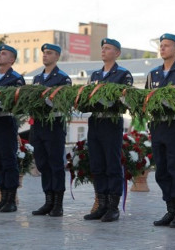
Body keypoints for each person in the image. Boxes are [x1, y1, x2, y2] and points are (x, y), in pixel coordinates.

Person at [146, 33, 175, 228]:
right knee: (161, 171)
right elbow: (146, 99)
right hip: (158, 126)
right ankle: (170, 210)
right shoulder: (153, 74)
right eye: (161, 45)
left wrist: (171, 102)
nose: (162, 48)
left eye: (166, 45)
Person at [83, 38, 133, 222]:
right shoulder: (95, 74)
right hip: (95, 121)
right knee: (97, 164)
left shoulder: (123, 74)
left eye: (108, 48)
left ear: (117, 53)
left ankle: (113, 207)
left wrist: (110, 100)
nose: (103, 50)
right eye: (102, 47)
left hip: (111, 122)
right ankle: (101, 204)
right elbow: (86, 96)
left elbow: (126, 99)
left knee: (112, 164)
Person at [31, 43, 72, 217]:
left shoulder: (63, 78)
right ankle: (48, 200)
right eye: (44, 53)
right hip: (39, 124)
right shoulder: (37, 78)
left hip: (54, 123)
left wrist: (51, 101)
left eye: (49, 53)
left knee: (55, 164)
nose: (45, 55)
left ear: (57, 57)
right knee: (42, 163)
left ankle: (58, 204)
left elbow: (66, 101)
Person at [0, 45, 25, 212]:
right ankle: (2, 196)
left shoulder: (15, 78)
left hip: (6, 120)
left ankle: (11, 200)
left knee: (8, 161)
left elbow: (17, 102)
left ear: (12, 59)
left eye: (4, 54)